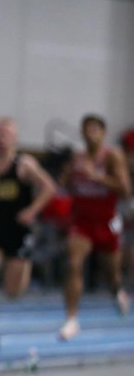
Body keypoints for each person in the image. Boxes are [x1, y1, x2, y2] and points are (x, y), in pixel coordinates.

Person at [0, 118, 57, 352]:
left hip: (17, 231)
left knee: (12, 292)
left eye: (7, 134)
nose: (2, 138)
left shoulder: (24, 165)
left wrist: (31, 211)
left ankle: (25, 266)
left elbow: (49, 187)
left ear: (15, 139)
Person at [58, 114, 131, 340]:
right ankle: (71, 318)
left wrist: (97, 176)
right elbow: (65, 186)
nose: (90, 133)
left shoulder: (112, 156)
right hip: (82, 221)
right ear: (81, 133)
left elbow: (126, 190)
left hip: (106, 220)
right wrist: (69, 176)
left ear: (103, 133)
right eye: (86, 129)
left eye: (95, 129)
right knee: (74, 264)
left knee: (111, 274)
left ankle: (117, 290)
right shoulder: (77, 158)